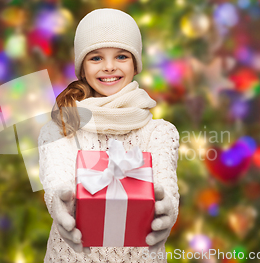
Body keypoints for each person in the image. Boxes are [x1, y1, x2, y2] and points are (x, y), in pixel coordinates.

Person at [38, 8, 180, 262]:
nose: (110, 67)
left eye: (122, 56)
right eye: (96, 58)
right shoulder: (60, 128)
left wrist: (167, 209)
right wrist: (61, 203)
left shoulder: (160, 132)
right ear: (82, 68)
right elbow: (56, 181)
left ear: (136, 64)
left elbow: (165, 187)